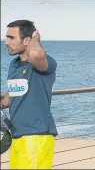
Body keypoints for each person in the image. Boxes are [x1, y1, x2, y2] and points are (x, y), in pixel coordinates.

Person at [1, 20, 57, 168]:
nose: (6, 42)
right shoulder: (14, 65)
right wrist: (1, 103)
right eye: (6, 37)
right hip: (18, 135)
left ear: (27, 40)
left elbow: (35, 56)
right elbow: (14, 92)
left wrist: (35, 40)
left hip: (36, 136)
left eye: (11, 38)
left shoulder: (45, 62)